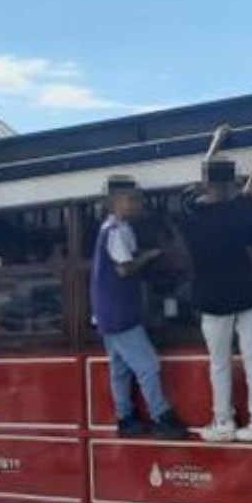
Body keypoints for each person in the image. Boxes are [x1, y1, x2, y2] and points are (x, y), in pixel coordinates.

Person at [180, 115, 252, 443]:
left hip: (213, 302)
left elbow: (204, 173)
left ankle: (223, 421)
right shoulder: (239, 208)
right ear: (230, 186)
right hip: (247, 296)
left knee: (220, 364)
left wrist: (216, 140)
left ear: (206, 185)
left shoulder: (191, 213)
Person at [90, 175, 186, 439]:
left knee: (119, 369)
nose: (136, 204)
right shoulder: (117, 231)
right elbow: (124, 268)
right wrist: (150, 255)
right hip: (121, 314)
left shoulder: (109, 228)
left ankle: (125, 418)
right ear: (114, 203)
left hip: (107, 314)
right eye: (130, 199)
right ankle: (161, 415)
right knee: (148, 365)